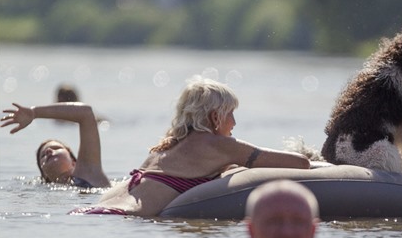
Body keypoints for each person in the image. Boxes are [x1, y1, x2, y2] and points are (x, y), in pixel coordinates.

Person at [89, 76, 310, 216]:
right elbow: (301, 163)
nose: (234, 122)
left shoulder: (171, 143)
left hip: (100, 212)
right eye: (230, 113)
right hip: (121, 216)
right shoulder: (220, 145)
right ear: (215, 116)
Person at [0, 102, 111, 188]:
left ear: (73, 161)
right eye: (43, 155)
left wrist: (35, 113)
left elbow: (86, 113)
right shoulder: (46, 194)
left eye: (56, 148)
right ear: (44, 175)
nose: (48, 151)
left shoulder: (88, 172)